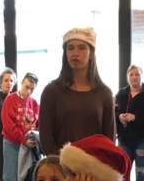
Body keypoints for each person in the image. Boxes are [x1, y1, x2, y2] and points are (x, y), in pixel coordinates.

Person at [37, 27, 115, 155]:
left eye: (82, 47)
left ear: (91, 54)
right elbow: (46, 138)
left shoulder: (104, 93)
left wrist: (96, 169)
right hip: (60, 169)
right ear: (65, 53)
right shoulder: (51, 91)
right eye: (70, 48)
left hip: (94, 170)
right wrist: (61, 167)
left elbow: (109, 140)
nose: (75, 53)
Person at [1, 72, 40, 181]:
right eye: (27, 86)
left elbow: (35, 124)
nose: (28, 91)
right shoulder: (10, 99)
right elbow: (8, 125)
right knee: (11, 180)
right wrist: (23, 139)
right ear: (22, 83)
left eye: (32, 89)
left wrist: (31, 139)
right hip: (12, 143)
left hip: (27, 145)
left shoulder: (35, 104)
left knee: (23, 179)